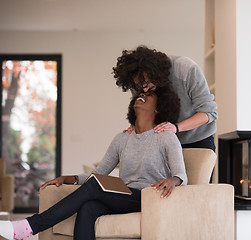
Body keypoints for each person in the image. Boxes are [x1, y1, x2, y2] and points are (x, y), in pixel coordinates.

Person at [0, 86, 187, 240]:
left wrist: (173, 180)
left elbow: (181, 175)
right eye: (141, 93)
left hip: (148, 198)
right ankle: (28, 227)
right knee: (88, 207)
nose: (141, 95)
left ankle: (31, 226)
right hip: (124, 196)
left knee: (95, 187)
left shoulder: (166, 137)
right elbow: (99, 173)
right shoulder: (122, 139)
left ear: (159, 108)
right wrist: (68, 178)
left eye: (149, 95)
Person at [113, 45, 218, 151]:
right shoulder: (137, 81)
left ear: (154, 73)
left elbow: (208, 113)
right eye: (139, 86)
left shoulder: (186, 69)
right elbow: (141, 112)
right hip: (163, 141)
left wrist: (176, 128)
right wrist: (135, 126)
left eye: (146, 83)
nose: (144, 90)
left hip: (197, 139)